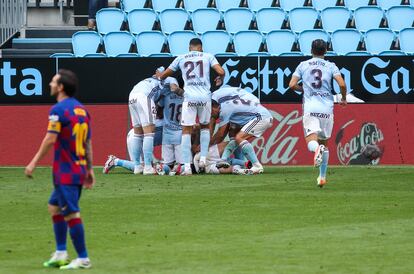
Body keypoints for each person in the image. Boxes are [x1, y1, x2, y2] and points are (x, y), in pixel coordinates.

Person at [25, 69, 94, 269]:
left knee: (71, 213)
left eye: (53, 81)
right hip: (78, 168)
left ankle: (83, 258)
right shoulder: (82, 110)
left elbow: (50, 139)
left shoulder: (58, 110)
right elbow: (87, 142)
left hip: (66, 171)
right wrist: (89, 169)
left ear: (61, 87)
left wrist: (34, 162)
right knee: (54, 206)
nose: (50, 84)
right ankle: (61, 252)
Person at [159, 38, 225, 175]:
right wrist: (220, 78)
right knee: (205, 127)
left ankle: (187, 167)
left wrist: (160, 76)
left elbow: (165, 74)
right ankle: (203, 159)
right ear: (201, 48)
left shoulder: (181, 58)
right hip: (205, 97)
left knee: (186, 131)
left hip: (189, 97)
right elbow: (221, 71)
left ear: (190, 48)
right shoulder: (208, 56)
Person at [288, 39, 347, 187]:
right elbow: (342, 84)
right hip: (327, 109)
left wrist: (304, 89)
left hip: (311, 108)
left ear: (311, 50)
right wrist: (344, 98)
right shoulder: (331, 66)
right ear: (326, 51)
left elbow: (292, 85)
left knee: (311, 143)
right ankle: (322, 177)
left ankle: (317, 149)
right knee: (324, 143)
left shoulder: (303, 65)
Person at [128, 67, 179, 175]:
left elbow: (159, 101)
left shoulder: (149, 80)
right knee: (149, 133)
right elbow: (174, 88)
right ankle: (147, 167)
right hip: (144, 97)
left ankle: (138, 166)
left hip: (132, 96)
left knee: (138, 133)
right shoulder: (170, 79)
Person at [211, 96, 273, 175]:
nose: (211, 115)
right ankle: (224, 160)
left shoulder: (224, 110)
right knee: (235, 139)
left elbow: (221, 134)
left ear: (215, 107)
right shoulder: (227, 106)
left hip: (261, 117)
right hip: (262, 116)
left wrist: (207, 147)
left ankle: (257, 166)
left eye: (210, 111)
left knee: (239, 137)